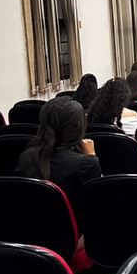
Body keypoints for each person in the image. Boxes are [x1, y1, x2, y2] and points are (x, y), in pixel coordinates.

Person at [15, 96, 101, 225]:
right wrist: (92, 155)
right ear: (79, 127)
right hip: (71, 238)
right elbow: (99, 206)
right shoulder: (85, 163)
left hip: (30, 232)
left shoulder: (26, 157)